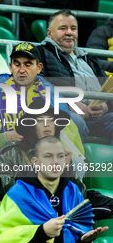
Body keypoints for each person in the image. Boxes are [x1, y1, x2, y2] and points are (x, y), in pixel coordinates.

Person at [0, 136, 108, 243]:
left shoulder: (74, 192)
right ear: (35, 162)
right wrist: (41, 232)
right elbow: (3, 238)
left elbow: (77, 242)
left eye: (60, 156)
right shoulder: (19, 193)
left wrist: (83, 242)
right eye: (48, 156)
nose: (55, 162)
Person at [0, 41, 72, 164]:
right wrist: (4, 137)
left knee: (75, 162)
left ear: (39, 68)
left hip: (47, 154)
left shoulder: (50, 93)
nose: (22, 70)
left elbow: (65, 129)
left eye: (28, 65)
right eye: (17, 65)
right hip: (9, 155)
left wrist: (60, 147)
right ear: (10, 67)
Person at [37, 9, 113, 145]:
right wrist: (68, 103)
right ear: (49, 33)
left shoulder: (89, 59)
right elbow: (35, 84)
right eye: (63, 28)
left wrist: (106, 105)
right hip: (62, 113)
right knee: (73, 121)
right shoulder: (40, 53)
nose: (69, 32)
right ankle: (72, 166)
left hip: (97, 119)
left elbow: (108, 87)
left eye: (73, 28)